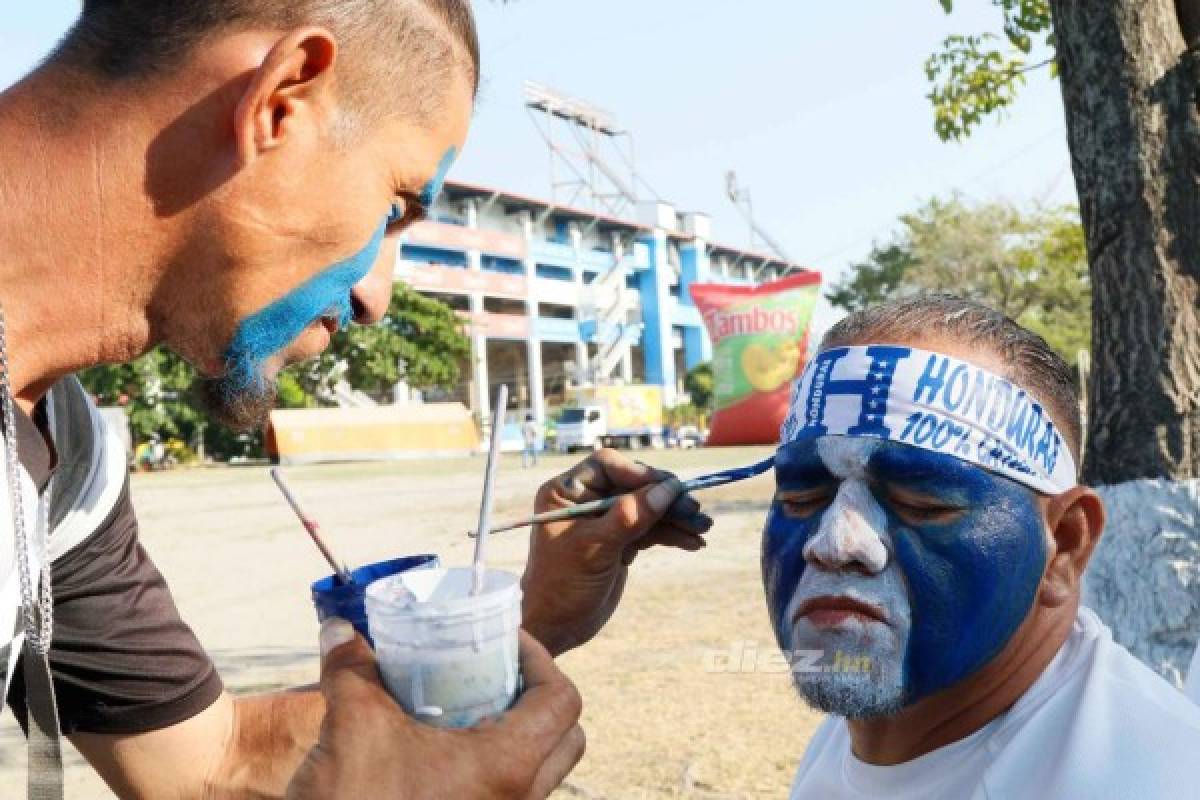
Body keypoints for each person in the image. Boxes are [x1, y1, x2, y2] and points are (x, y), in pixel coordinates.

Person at [0, 2, 709, 797]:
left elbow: (213, 764)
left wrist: (513, 623)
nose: (377, 294)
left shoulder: (66, 452)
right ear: (283, 98)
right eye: (398, 205)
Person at [524, 294, 1200, 799]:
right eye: (801, 497)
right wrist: (537, 622)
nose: (836, 542)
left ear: (1065, 544)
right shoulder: (885, 729)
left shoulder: (1145, 776)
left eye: (921, 502)